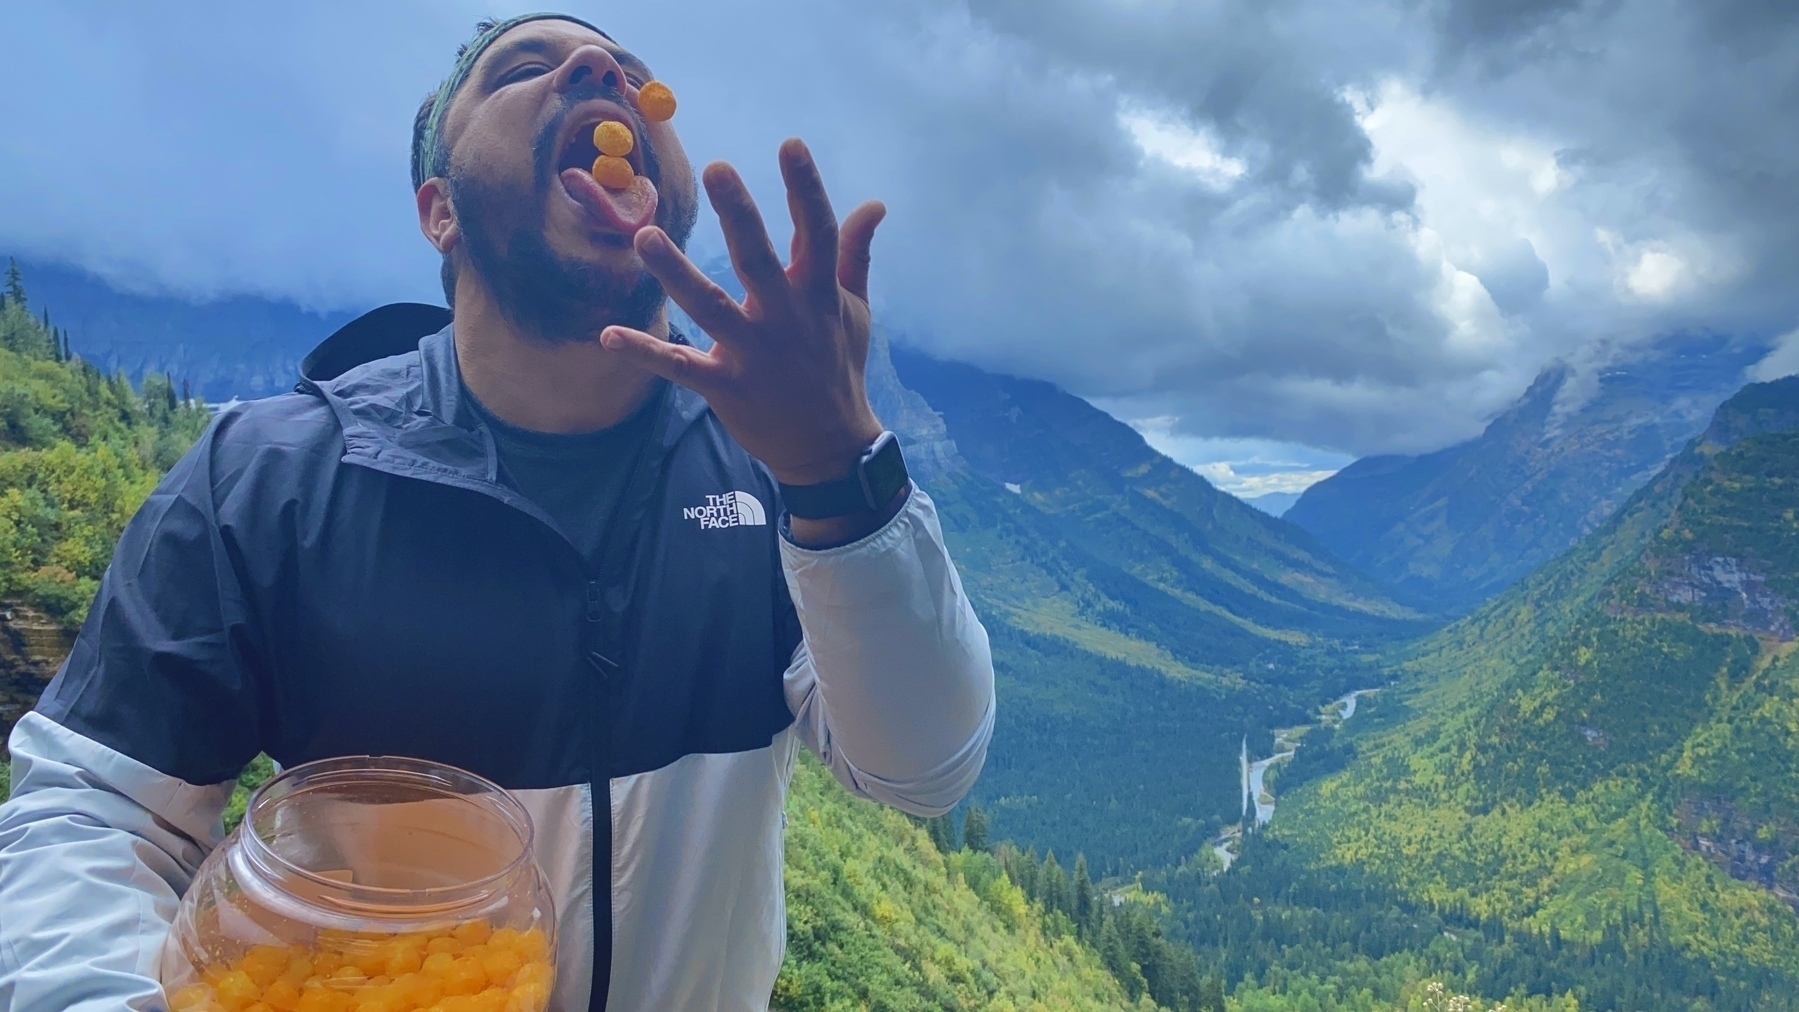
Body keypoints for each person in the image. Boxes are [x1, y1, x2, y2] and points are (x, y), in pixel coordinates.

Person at [0, 13, 994, 1011]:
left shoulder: (771, 466)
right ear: (439, 210)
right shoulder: (265, 482)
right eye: (523, 67)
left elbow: (919, 767)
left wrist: (837, 468)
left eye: (624, 68)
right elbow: (97, 813)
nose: (599, 68)